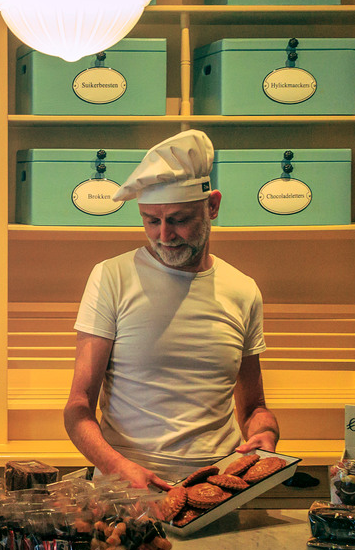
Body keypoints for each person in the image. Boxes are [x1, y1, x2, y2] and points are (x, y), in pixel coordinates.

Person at [61, 129, 278, 488]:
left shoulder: (243, 290)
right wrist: (118, 467)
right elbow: (77, 407)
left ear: (213, 206)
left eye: (178, 219)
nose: (164, 236)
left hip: (217, 489)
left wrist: (266, 434)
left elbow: (254, 407)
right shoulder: (112, 278)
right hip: (126, 493)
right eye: (151, 221)